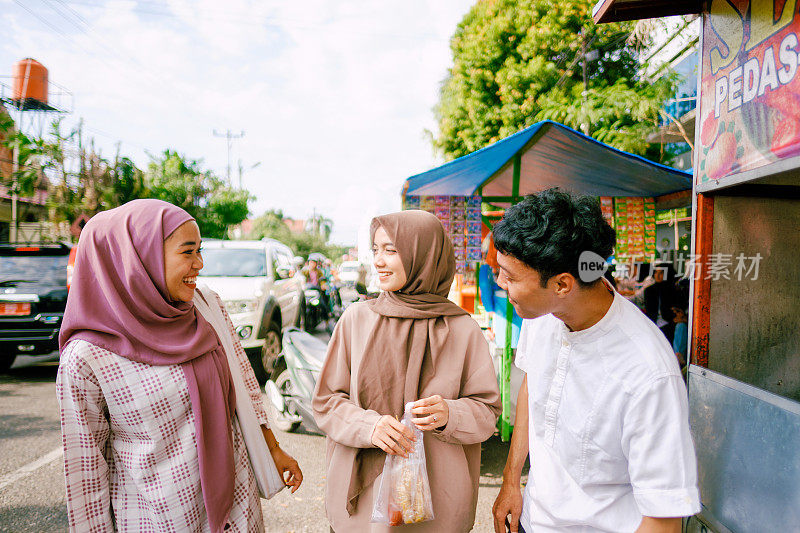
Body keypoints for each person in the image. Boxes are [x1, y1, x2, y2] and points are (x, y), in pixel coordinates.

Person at [57, 199, 303, 532]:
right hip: (160, 520)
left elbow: (245, 382)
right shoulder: (87, 357)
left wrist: (272, 447)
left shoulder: (206, 306)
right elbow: (86, 473)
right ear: (138, 258)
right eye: (187, 252)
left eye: (200, 251)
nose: (199, 264)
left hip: (239, 512)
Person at [491, 189, 700, 533]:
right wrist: (511, 480)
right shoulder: (540, 314)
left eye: (510, 277)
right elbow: (534, 385)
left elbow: (663, 519)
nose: (501, 284)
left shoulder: (648, 373)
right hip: (532, 520)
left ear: (562, 284)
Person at [312, 210, 501, 532]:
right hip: (362, 507)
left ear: (424, 254)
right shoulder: (357, 320)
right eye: (375, 250)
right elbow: (326, 400)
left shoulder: (462, 329)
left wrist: (449, 414)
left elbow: (487, 411)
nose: (379, 261)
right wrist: (368, 426)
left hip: (438, 506)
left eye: (391, 250)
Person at [644, 262, 678, 342]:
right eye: (656, 272)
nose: (657, 275)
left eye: (661, 273)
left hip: (669, 324)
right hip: (653, 324)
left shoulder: (673, 290)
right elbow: (649, 311)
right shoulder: (649, 290)